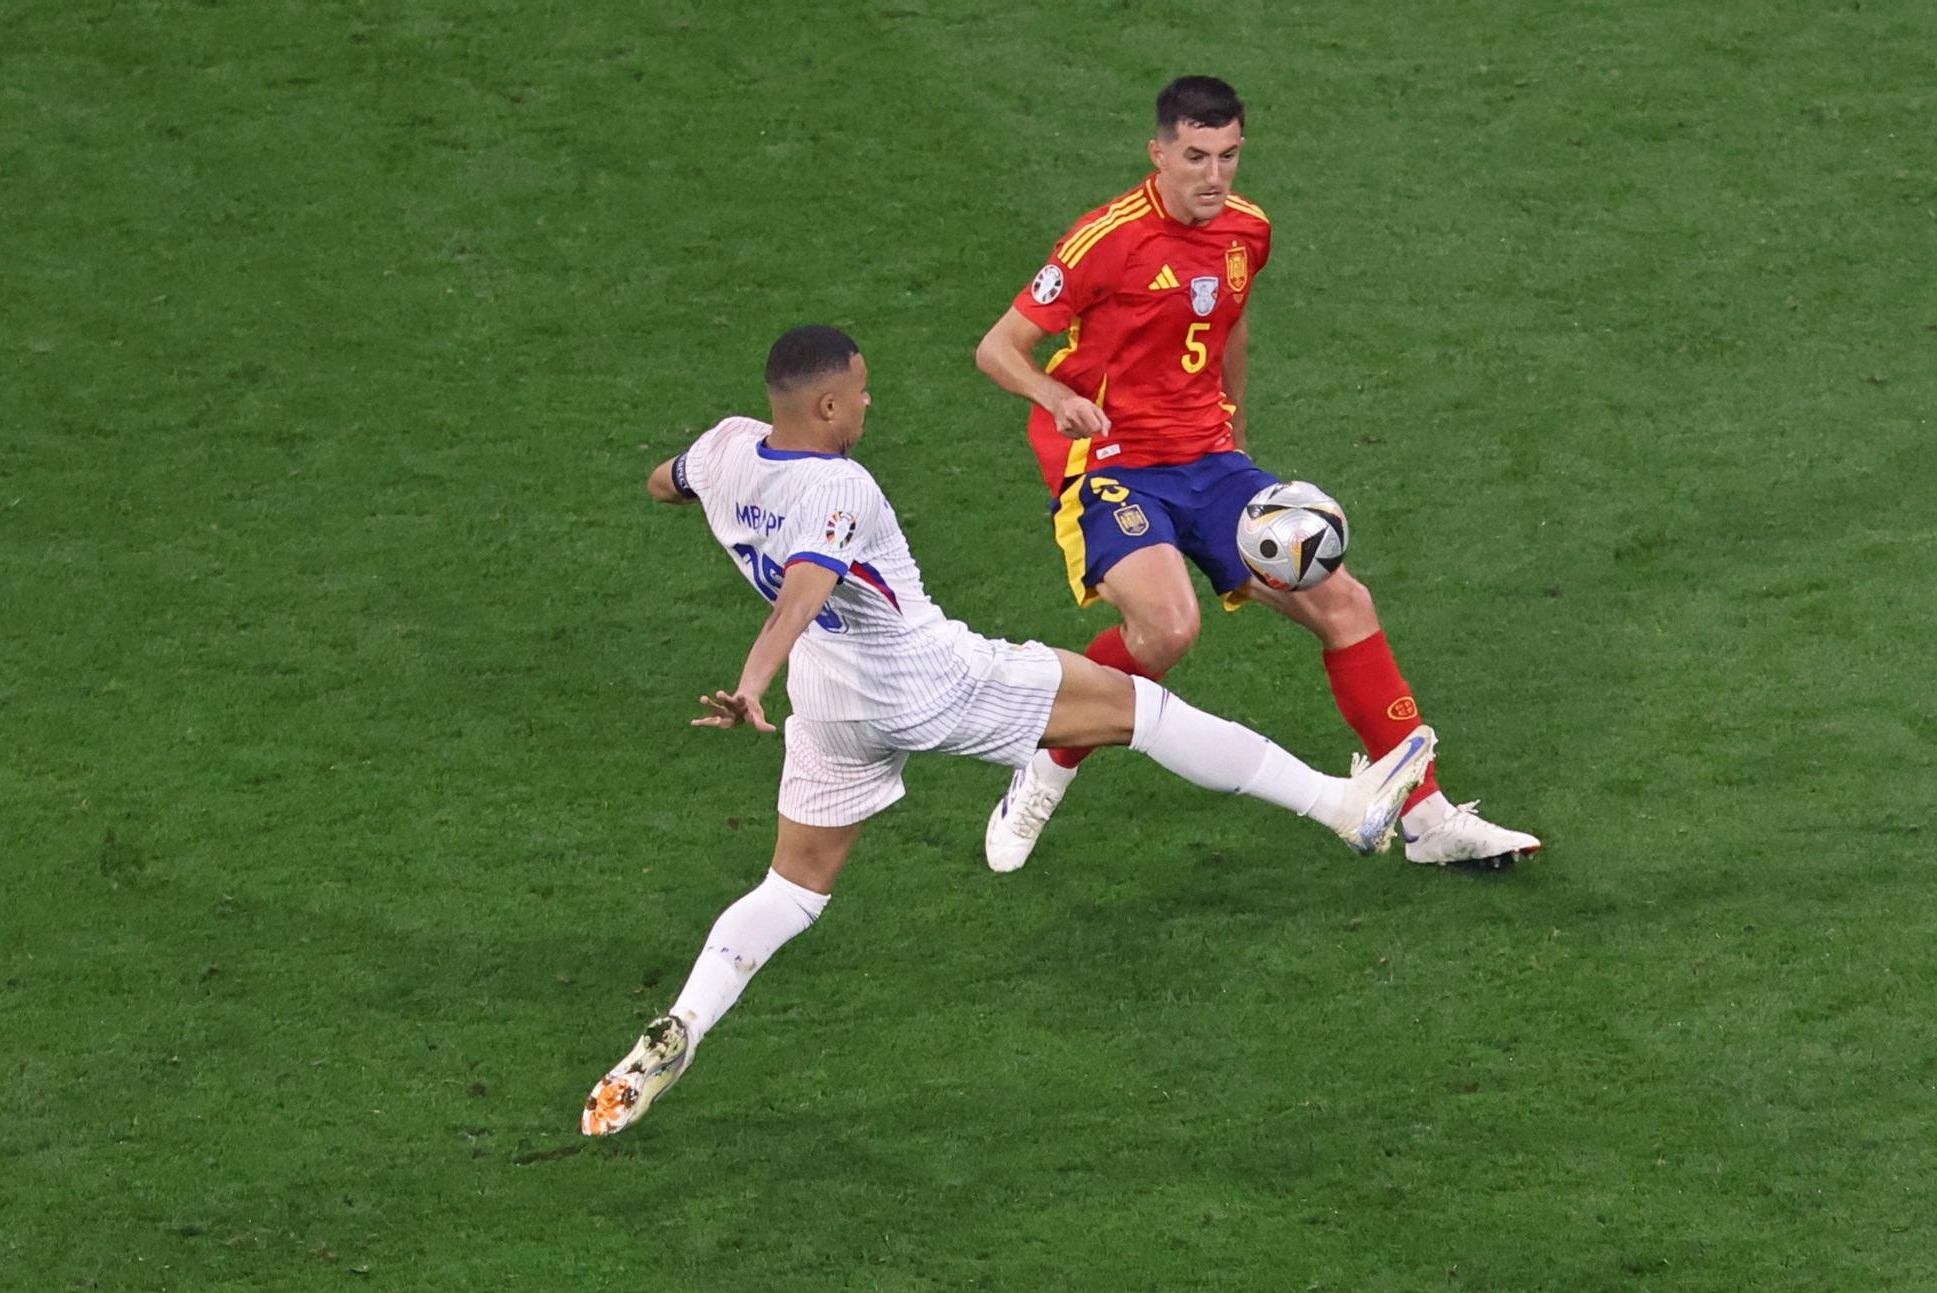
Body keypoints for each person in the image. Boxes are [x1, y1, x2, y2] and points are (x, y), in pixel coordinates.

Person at [580, 325, 1436, 1136]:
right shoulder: (841, 486)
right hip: (923, 677)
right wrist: (750, 680)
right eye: (863, 393)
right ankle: (1342, 805)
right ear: (828, 408)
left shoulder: (728, 446)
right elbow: (805, 587)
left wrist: (708, 500)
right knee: (1142, 711)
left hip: (831, 704)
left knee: (795, 888)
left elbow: (667, 480)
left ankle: (682, 1023)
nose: (872, 405)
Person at [974, 75, 1538, 872]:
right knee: (1166, 630)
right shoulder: (1107, 238)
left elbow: (1226, 322)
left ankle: (1430, 817)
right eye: (1196, 156)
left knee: (1346, 602)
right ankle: (1048, 757)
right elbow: (998, 347)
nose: (1214, 175)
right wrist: (1055, 394)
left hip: (1211, 461)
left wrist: (1233, 429)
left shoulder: (1248, 230)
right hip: (1115, 465)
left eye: (1229, 156)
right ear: (1158, 152)